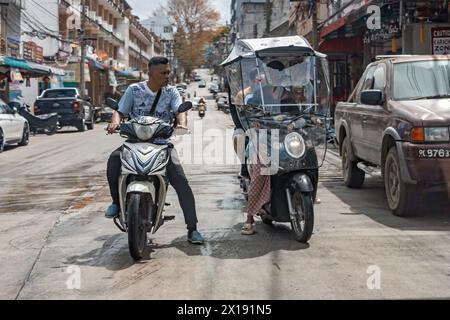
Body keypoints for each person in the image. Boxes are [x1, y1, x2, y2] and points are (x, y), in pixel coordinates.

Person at [105, 56, 205, 245]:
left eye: (168, 72)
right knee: (114, 159)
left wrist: (182, 124)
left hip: (161, 144)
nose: (167, 76)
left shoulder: (171, 92)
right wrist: (115, 121)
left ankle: (192, 229)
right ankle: (116, 202)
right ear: (150, 73)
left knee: (181, 182)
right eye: (163, 73)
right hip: (134, 142)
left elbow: (179, 111)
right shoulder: (134, 90)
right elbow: (119, 111)